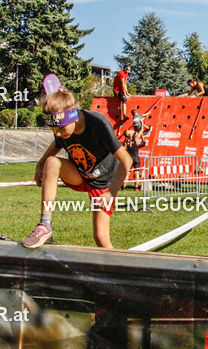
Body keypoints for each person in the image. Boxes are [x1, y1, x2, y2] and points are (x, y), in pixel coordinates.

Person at [22, 88, 133, 249]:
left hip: (102, 183)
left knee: (101, 238)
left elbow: (126, 160)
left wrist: (111, 193)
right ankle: (45, 225)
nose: (57, 134)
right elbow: (56, 145)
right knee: (51, 162)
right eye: (54, 130)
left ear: (73, 117)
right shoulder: (63, 128)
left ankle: (115, 264)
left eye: (60, 129)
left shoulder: (98, 125)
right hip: (80, 175)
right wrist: (40, 164)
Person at [123, 109, 152, 190]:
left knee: (127, 173)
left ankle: (124, 187)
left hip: (129, 158)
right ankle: (136, 187)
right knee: (136, 173)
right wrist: (142, 123)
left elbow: (126, 148)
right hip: (136, 157)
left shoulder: (126, 141)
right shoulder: (135, 139)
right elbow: (141, 131)